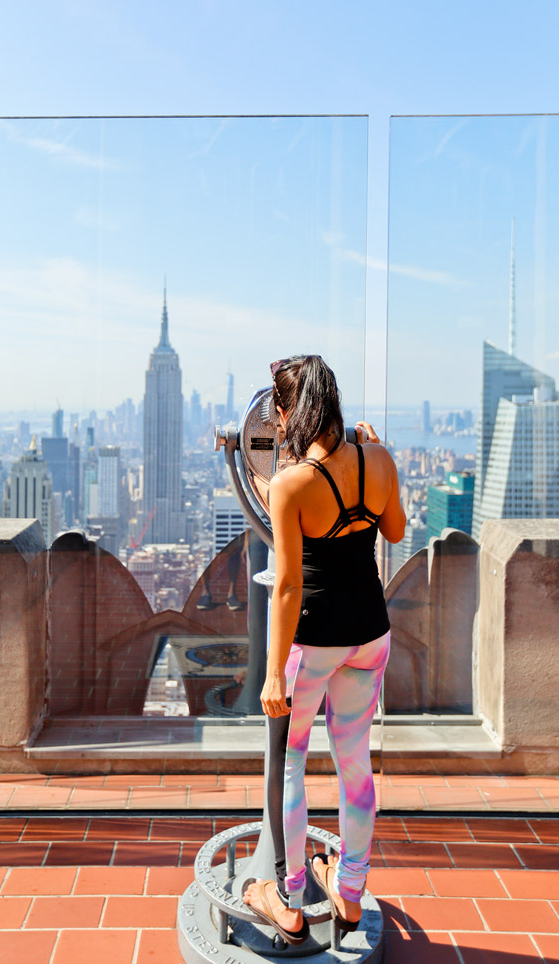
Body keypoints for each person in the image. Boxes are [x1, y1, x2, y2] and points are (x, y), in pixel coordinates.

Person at [242, 354, 406, 945]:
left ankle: (287, 900)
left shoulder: (290, 485)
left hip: (311, 642)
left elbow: (286, 586)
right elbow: (394, 529)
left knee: (292, 763)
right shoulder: (379, 459)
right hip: (369, 635)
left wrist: (270, 676)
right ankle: (352, 892)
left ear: (287, 415)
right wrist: (377, 457)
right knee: (354, 765)